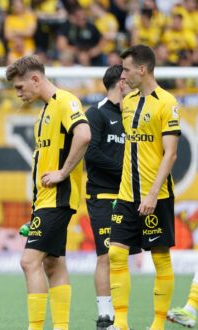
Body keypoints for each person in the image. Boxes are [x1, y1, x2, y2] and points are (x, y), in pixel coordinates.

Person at [5, 55, 91, 330]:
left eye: (20, 87)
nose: (18, 93)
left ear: (35, 79)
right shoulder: (43, 112)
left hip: (58, 197)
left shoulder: (66, 101)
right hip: (45, 200)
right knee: (54, 264)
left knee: (29, 262)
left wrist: (63, 173)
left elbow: (84, 135)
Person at [108, 44, 181, 330]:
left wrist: (151, 194)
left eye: (126, 69)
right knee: (115, 253)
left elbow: (171, 154)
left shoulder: (167, 102)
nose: (122, 76)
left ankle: (158, 324)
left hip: (156, 195)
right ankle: (121, 323)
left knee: (160, 257)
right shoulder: (127, 102)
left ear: (142, 69)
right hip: (126, 194)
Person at [84, 64, 131, 330]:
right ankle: (105, 315)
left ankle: (121, 316)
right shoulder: (97, 113)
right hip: (103, 194)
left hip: (129, 196)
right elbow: (91, 153)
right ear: (121, 82)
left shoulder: (133, 113)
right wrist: (126, 172)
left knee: (122, 257)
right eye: (129, 79)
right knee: (106, 254)